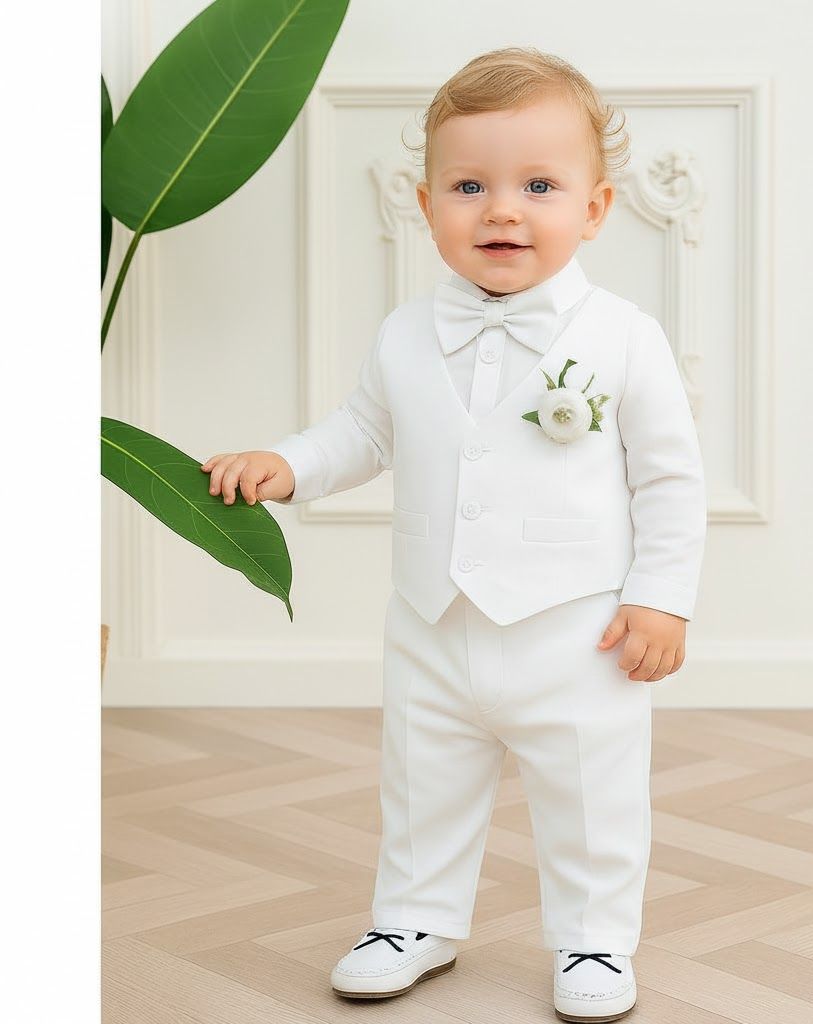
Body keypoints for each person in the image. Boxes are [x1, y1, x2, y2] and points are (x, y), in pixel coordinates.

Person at [202, 46, 706, 1023]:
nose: (501, 210)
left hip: (578, 630)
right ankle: (412, 920)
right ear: (427, 204)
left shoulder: (623, 336)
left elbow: (670, 479)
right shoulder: (404, 332)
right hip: (433, 620)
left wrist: (661, 597)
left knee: (592, 793)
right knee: (421, 780)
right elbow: (362, 432)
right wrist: (287, 464)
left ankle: (594, 938)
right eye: (469, 186)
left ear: (595, 208)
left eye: (538, 186)